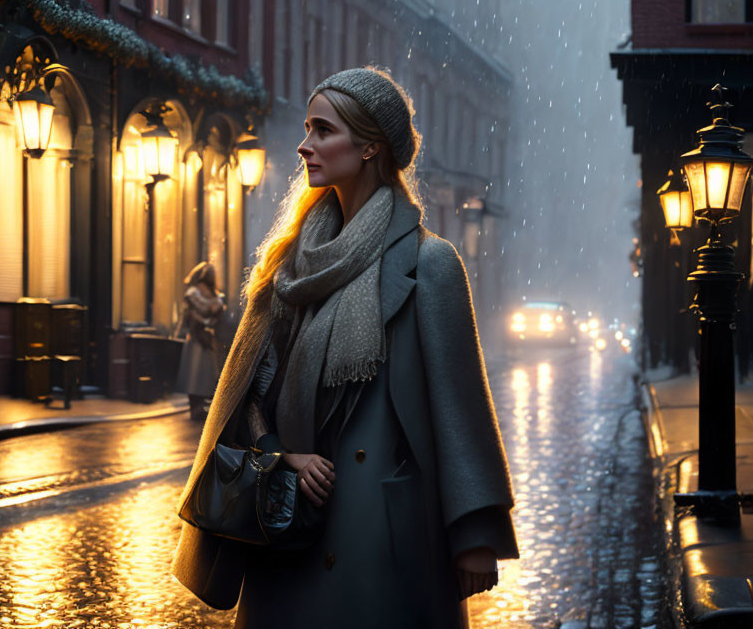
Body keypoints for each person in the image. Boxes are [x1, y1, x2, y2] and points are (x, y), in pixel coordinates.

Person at [171, 67, 519, 628]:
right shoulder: (289, 266)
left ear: (369, 147)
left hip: (386, 535)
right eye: (307, 128)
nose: (305, 145)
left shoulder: (429, 264)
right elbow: (252, 392)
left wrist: (474, 535)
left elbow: (460, 409)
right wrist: (283, 454)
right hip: (292, 533)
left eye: (323, 130)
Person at [174, 262, 226, 419]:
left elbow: (191, 316)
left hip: (197, 339)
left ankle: (196, 409)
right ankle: (199, 409)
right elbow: (214, 316)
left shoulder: (193, 293)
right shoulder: (216, 297)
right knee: (203, 374)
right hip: (206, 339)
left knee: (195, 375)